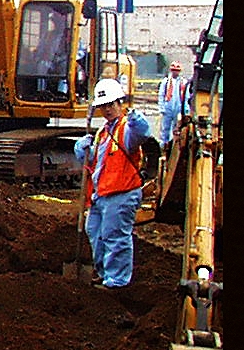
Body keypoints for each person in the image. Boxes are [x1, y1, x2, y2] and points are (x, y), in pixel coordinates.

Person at [73, 77, 152, 289]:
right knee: (96, 233)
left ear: (119, 103)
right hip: (101, 195)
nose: (107, 110)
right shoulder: (103, 132)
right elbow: (92, 163)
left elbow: (142, 133)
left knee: (115, 236)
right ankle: (103, 271)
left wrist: (137, 119)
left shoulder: (126, 129)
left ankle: (116, 281)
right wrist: (82, 149)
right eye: (102, 106)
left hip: (121, 192)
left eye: (110, 105)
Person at [156, 62, 189, 150]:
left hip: (178, 108)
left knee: (177, 127)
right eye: (174, 70)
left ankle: (175, 145)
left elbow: (186, 97)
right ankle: (164, 145)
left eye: (177, 70)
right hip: (168, 107)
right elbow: (161, 94)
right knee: (165, 128)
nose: (175, 72)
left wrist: (186, 110)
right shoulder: (166, 81)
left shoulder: (183, 82)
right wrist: (162, 107)